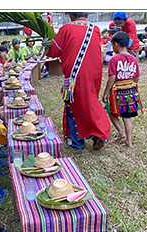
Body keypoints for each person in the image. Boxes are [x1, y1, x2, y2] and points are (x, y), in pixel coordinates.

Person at [45, 12, 111, 150]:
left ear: (69, 14)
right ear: (87, 13)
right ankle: (97, 133)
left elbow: (54, 51)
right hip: (94, 73)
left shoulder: (66, 28)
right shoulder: (95, 28)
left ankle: (78, 141)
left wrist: (47, 44)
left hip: (75, 74)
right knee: (90, 100)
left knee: (73, 104)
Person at [101, 32, 143, 149]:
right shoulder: (133, 58)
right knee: (127, 117)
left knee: (110, 111)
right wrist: (131, 84)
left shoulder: (114, 59)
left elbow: (112, 78)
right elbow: (137, 76)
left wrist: (105, 93)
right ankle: (129, 142)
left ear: (115, 44)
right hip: (131, 91)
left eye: (112, 45)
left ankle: (120, 132)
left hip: (117, 91)